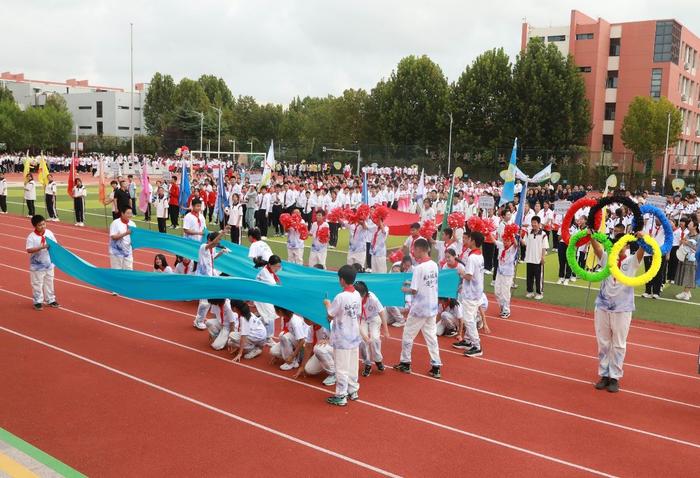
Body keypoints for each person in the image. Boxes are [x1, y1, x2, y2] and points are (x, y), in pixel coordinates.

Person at [590, 229, 646, 393]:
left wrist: (642, 240)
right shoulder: (608, 259)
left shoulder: (631, 261)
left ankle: (615, 377)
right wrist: (591, 236)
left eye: (622, 245)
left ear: (627, 245)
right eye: (616, 245)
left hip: (622, 308)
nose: (619, 247)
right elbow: (598, 250)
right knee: (603, 342)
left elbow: (642, 253)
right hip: (602, 306)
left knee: (619, 344)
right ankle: (604, 375)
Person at [393, 238, 442, 378]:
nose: (413, 252)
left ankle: (405, 362)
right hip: (432, 307)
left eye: (414, 249)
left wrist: (404, 288)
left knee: (408, 334)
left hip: (419, 308)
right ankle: (436, 365)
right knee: (431, 337)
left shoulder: (419, 268)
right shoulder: (434, 265)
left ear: (420, 250)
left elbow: (414, 290)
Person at [323, 265, 362, 406]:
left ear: (342, 280)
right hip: (354, 335)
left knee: (341, 367)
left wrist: (327, 304)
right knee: (352, 365)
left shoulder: (340, 297)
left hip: (342, 337)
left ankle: (341, 395)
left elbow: (330, 315)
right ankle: (353, 390)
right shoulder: (357, 294)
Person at [451, 231, 485, 357]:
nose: (468, 241)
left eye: (469, 239)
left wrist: (461, 273)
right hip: (476, 291)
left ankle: (477, 345)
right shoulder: (479, 255)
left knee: (469, 319)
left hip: (471, 292)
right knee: (468, 317)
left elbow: (469, 276)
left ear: (474, 241)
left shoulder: (472, 257)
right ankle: (468, 340)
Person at [193, 228, 230, 330]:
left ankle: (200, 319)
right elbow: (213, 243)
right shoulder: (203, 247)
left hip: (211, 275)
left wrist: (221, 252)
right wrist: (222, 233)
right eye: (217, 241)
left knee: (209, 300)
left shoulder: (212, 249)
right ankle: (198, 321)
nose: (217, 243)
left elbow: (212, 259)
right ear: (209, 239)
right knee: (204, 301)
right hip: (202, 277)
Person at [355, 281, 390, 377]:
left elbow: (382, 313)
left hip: (374, 317)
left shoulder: (373, 299)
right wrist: (364, 336)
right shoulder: (352, 299)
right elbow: (355, 321)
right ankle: (367, 363)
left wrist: (386, 330)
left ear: (365, 294)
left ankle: (378, 360)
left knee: (375, 338)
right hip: (361, 319)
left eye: (359, 296)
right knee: (363, 341)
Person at [26, 215, 59, 310]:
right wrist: (42, 247)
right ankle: (38, 301)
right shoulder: (31, 237)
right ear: (35, 226)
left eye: (44, 224)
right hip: (37, 266)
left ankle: (51, 300)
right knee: (37, 283)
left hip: (49, 264)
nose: (43, 226)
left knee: (49, 282)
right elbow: (29, 250)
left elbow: (55, 243)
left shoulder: (49, 232)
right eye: (40, 225)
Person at [254, 254, 282, 345]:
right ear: (270, 265)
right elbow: (273, 285)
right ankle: (268, 338)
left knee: (267, 316)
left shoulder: (269, 269)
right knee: (270, 315)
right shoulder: (265, 273)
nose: (278, 268)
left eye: (279, 266)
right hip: (260, 297)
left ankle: (255, 325)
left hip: (265, 295)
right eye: (277, 266)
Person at [522, 216, 549, 300]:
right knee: (529, 277)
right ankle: (530, 291)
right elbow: (524, 243)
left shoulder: (543, 234)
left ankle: (539, 292)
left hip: (538, 259)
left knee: (538, 278)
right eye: (532, 222)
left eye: (535, 223)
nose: (533, 224)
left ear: (539, 224)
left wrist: (543, 257)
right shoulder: (528, 232)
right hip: (529, 258)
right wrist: (519, 237)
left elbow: (544, 247)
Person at [494, 228, 517, 318]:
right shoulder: (501, 246)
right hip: (499, 272)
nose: (505, 242)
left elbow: (515, 244)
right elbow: (493, 240)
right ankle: (502, 306)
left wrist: (512, 235)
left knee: (505, 292)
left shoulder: (512, 249)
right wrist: (487, 230)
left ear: (510, 241)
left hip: (508, 274)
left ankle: (506, 310)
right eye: (504, 240)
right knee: (497, 291)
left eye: (507, 241)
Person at [675, 216, 698, 300]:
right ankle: (687, 292)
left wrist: (687, 243)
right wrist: (682, 243)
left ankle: (685, 292)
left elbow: (697, 249)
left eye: (691, 224)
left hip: (693, 259)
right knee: (685, 274)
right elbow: (682, 243)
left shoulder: (698, 236)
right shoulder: (687, 234)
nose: (689, 224)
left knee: (689, 275)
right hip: (685, 257)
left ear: (695, 226)